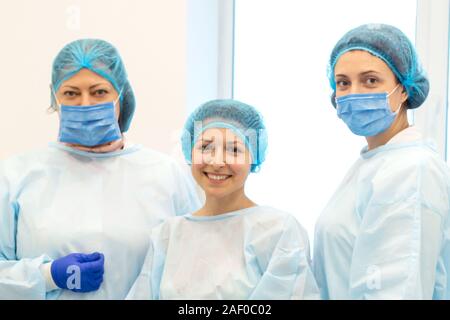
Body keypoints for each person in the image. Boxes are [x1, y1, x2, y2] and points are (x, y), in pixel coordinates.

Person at [0, 39, 200, 299]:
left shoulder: (166, 175)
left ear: (121, 95)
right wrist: (47, 275)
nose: (86, 104)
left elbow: (197, 267)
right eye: (71, 93)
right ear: (55, 99)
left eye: (99, 92)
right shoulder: (15, 176)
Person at [126, 99, 319, 299]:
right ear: (189, 151)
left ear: (254, 156)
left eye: (234, 150)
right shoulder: (167, 236)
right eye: (206, 147)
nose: (217, 162)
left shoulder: (278, 231)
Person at [313, 23, 450, 300]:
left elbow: (394, 289)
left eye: (371, 80)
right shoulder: (374, 164)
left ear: (404, 89)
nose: (354, 93)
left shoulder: (410, 168)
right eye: (343, 83)